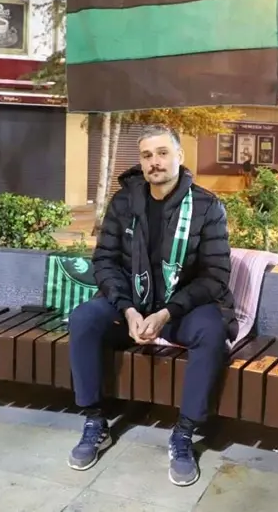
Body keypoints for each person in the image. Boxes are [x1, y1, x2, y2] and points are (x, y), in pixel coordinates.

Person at [67, 125, 234, 487]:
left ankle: (184, 433)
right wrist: (128, 309)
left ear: (179, 157)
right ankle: (95, 421)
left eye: (162, 153)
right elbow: (105, 262)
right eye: (146, 155)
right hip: (132, 304)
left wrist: (166, 312)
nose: (154, 162)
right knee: (83, 319)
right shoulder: (124, 202)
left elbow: (215, 275)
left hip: (180, 308)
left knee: (212, 331)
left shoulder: (206, 206)